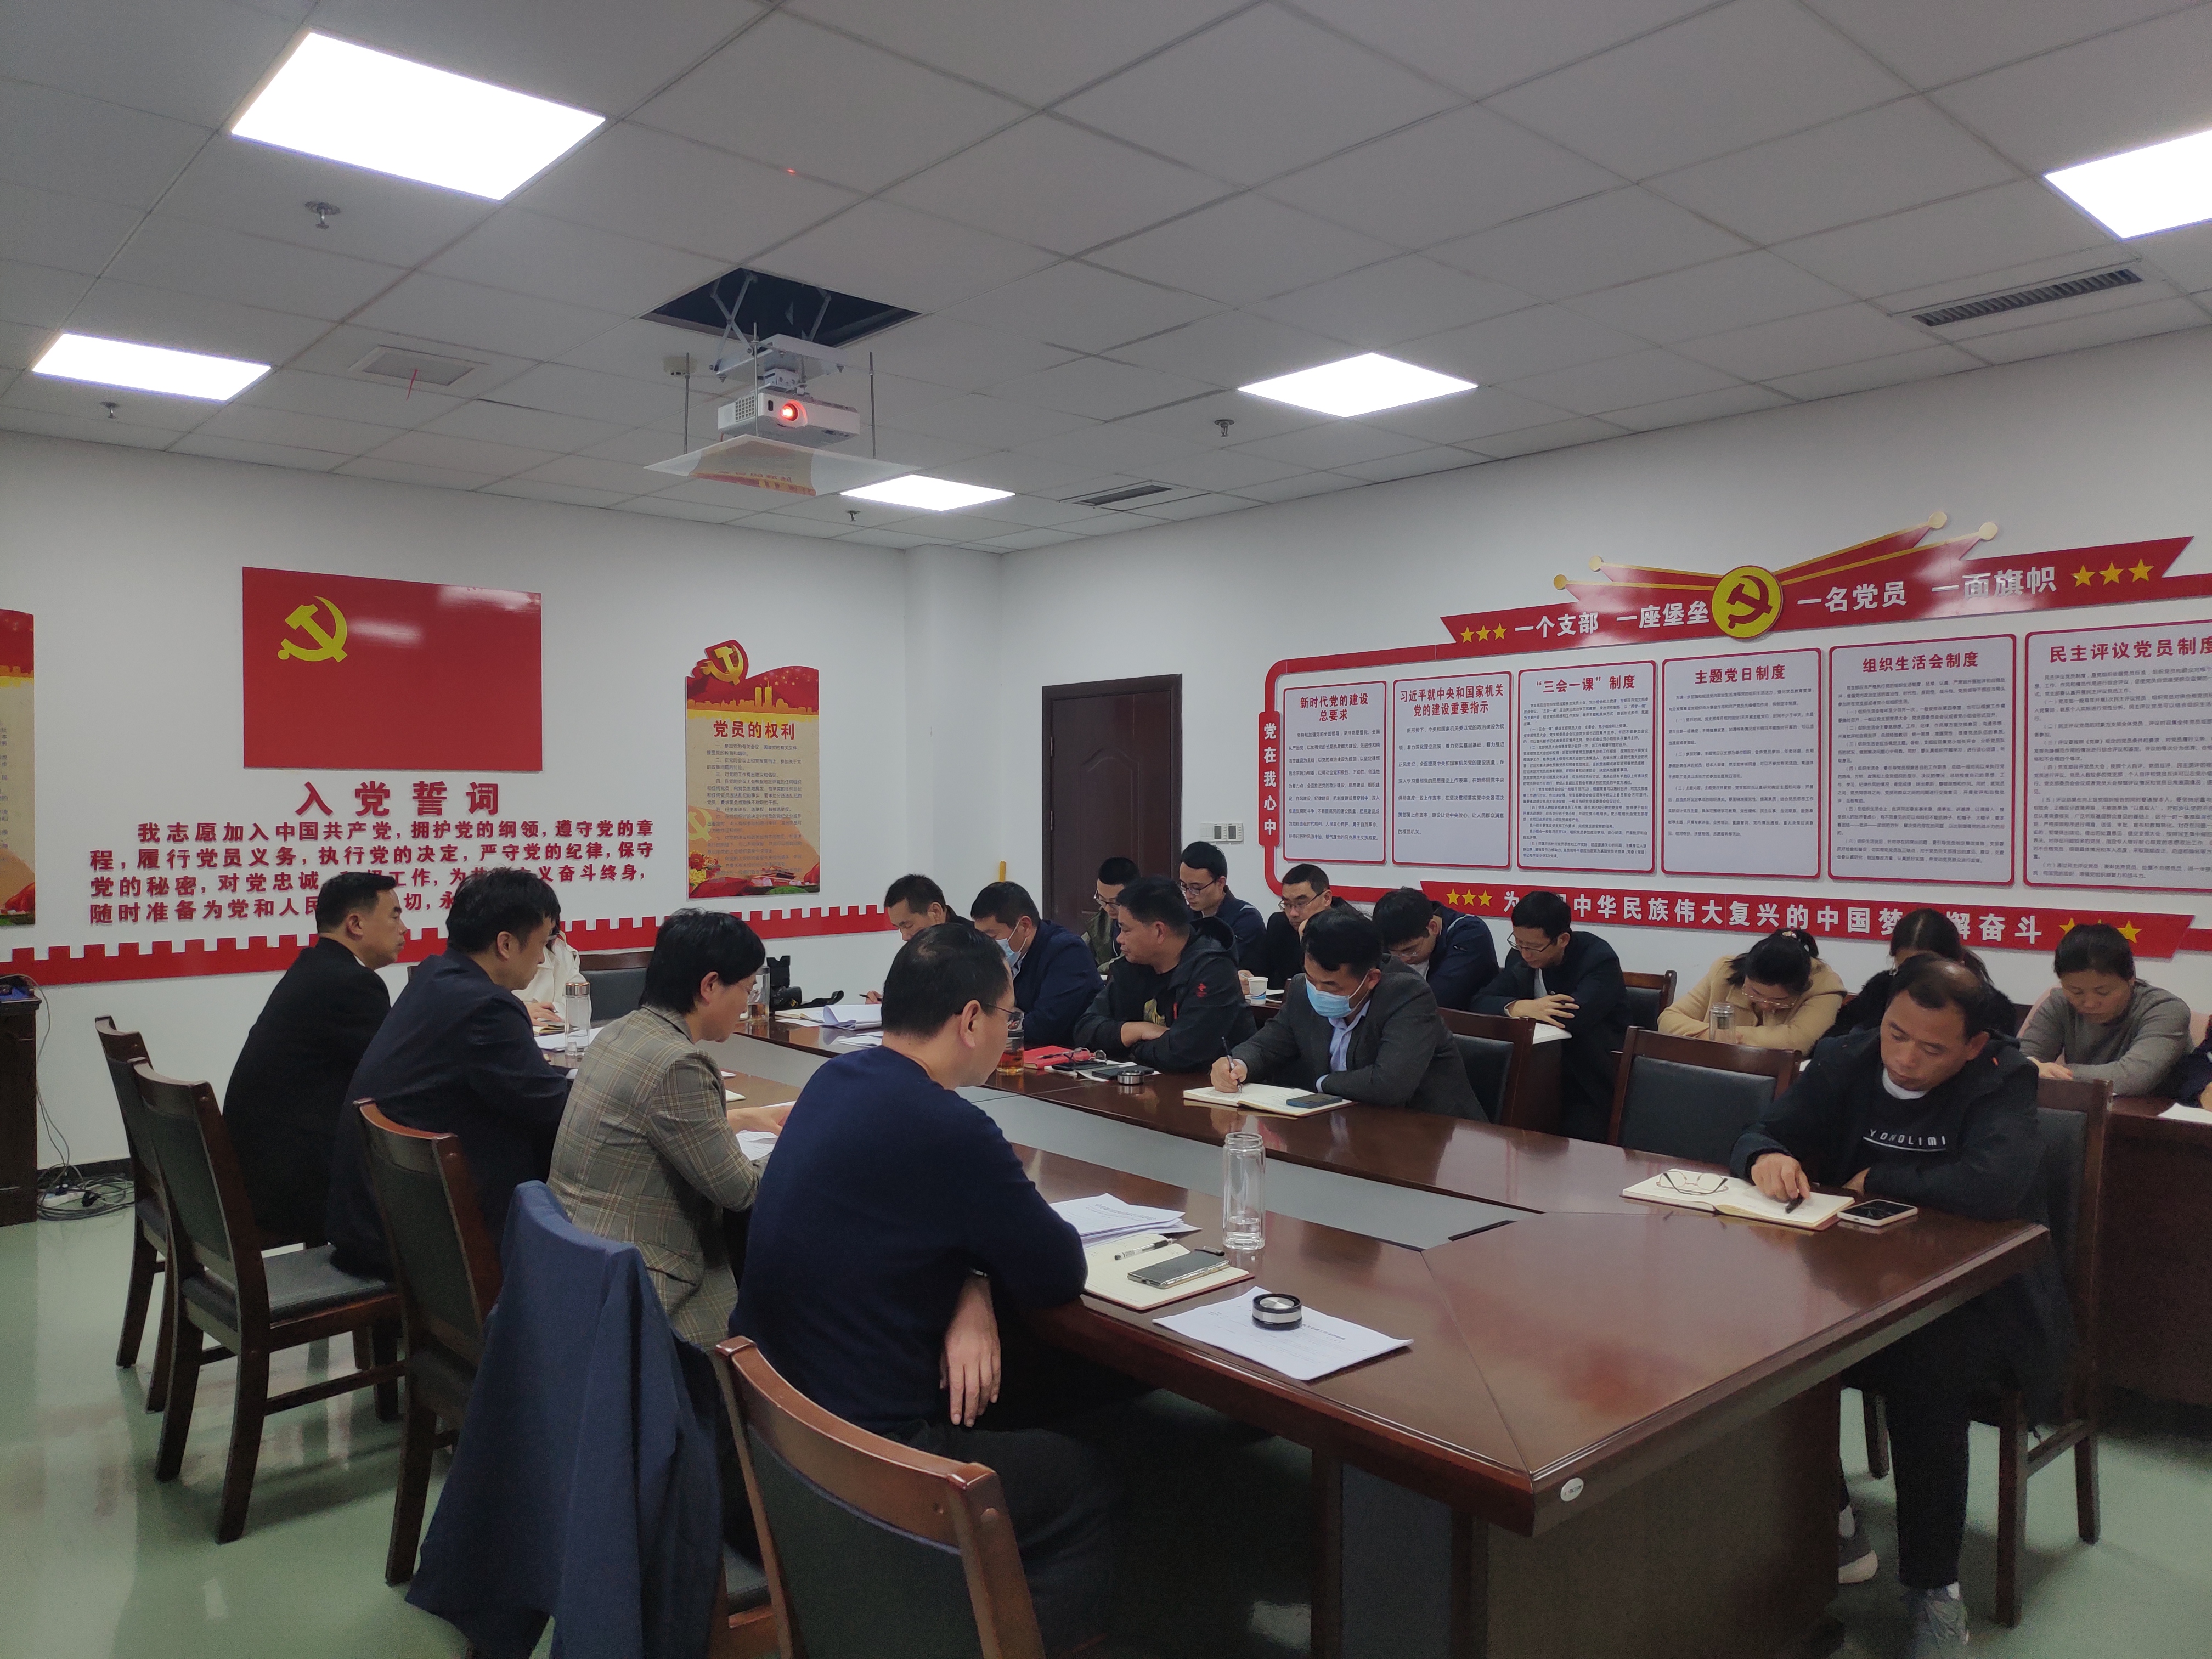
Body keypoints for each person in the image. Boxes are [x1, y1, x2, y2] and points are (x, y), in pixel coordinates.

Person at [732, 923, 1113, 1653]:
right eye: (1008, 1018)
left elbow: (911, 1225)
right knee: (1082, 1482)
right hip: (872, 1460)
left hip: (778, 1438)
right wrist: (977, 1272)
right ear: (971, 1020)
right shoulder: (953, 1128)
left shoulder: (834, 1081)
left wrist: (970, 1279)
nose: (1008, 1033)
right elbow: (1057, 1271)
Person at [1731, 957, 2068, 1657]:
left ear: (1974, 1046)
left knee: (1926, 1367)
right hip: (1852, 1282)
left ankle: (1934, 1588)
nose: (1906, 1059)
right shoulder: (1845, 1059)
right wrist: (1765, 1156)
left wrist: (1876, 1175)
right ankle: (1832, 1517)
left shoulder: (2003, 1077)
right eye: (1896, 1034)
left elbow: (1995, 1186)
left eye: (1932, 1048)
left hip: (1980, 1297)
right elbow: (1764, 1131)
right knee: (1762, 1342)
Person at [549, 910, 793, 1347]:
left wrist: (740, 1118)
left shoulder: (621, 1031)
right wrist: (800, 1144)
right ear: (710, 986)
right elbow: (742, 1192)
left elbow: (650, 1128)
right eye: (747, 988)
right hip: (642, 1278)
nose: (747, 1003)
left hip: (577, 1260)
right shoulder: (681, 1064)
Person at [323, 867, 572, 1277]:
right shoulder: (487, 1007)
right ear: (506, 944)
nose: (544, 957)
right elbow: (554, 1109)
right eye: (543, 943)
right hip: (419, 1238)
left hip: (374, 1218)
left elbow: (524, 1087)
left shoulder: (435, 977)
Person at [223, 872, 404, 1245]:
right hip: (292, 1186)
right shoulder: (352, 984)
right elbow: (395, 1079)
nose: (404, 928)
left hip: (256, 1172)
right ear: (355, 924)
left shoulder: (316, 967)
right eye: (395, 916)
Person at [1212, 905, 1481, 1119]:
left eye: (1331, 985)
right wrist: (1238, 1065)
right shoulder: (1303, 989)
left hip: (1435, 1136)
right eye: (1312, 979)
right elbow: (1267, 1045)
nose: (1318, 990)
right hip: (1347, 1127)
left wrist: (1321, 1085)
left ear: (1372, 978)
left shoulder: (1408, 995)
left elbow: (1389, 1085)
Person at [1471, 890, 1627, 1140]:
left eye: (1534, 947)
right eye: (1518, 942)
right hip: (1533, 1073)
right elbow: (1480, 1002)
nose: (1525, 954)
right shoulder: (1520, 958)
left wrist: (1529, 1010)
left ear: (1563, 940)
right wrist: (1519, 1007)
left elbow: (1572, 1017)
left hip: (1587, 1078)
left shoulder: (1598, 960)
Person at [1074, 874, 1256, 1070]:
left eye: (1126, 930)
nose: (1119, 939)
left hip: (1208, 1084)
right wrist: (1137, 1030)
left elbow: (1184, 1051)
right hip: (1146, 1080)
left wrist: (1130, 1048)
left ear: (1159, 932)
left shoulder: (1214, 970)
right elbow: (1084, 1030)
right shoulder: (1133, 965)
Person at [2018, 922, 2192, 1097]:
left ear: (2131, 979)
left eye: (2103, 992)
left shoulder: (2165, 1009)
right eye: (2076, 992)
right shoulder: (2060, 1003)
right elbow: (2020, 1061)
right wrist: (2032, 1066)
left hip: (2153, 1111)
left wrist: (2050, 1071)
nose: (2089, 1003)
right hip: (2082, 1108)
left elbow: (2132, 1078)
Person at [1658, 928, 1847, 1052]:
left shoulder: (1825, 986)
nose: (1765, 1005)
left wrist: (1722, 1035)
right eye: (1756, 993)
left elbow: (1796, 1041)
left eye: (1778, 1001)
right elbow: (1669, 1018)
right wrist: (1709, 1034)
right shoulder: (1726, 971)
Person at [970, 880, 1099, 1049]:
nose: (985, 945)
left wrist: (1001, 1018)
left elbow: (1043, 1026)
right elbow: (979, 1010)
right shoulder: (997, 956)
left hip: (1071, 1054)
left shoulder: (1067, 952)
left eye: (992, 937)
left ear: (1025, 926)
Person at [1835, 910, 2005, 1037]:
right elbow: (1838, 1041)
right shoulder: (1879, 991)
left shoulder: (1988, 1007)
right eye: (1906, 969)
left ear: (1956, 963)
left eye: (1927, 970)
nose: (1916, 981)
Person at [1372, 887, 1498, 1013]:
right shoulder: (1386, 933)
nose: (1403, 960)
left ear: (1433, 928)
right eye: (1395, 953)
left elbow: (1439, 998)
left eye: (1410, 950)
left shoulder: (1470, 933)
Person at [867, 874, 967, 1002]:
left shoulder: (974, 945)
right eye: (899, 928)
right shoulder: (911, 951)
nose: (904, 936)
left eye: (908, 925)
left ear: (935, 912)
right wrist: (885, 1003)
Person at [1176, 840, 1265, 970]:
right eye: (1184, 886)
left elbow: (1225, 968)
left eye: (1196, 888)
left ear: (1220, 883)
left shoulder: (1246, 919)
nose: (1189, 895)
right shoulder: (1184, 916)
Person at [1255, 862, 1347, 985]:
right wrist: (1247, 978)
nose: (1293, 913)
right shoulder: (1279, 924)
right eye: (1287, 904)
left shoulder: (1349, 930)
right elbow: (1260, 973)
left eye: (1301, 904)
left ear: (1326, 899)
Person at [516, 928, 584, 1025]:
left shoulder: (562, 952)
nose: (542, 959)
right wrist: (519, 1013)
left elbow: (580, 1009)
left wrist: (543, 1011)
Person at [1084, 856, 1137, 968]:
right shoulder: (1101, 922)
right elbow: (1079, 950)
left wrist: (1098, 971)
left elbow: (1127, 961)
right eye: (1102, 900)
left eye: (1115, 903)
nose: (1108, 909)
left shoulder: (1145, 924)